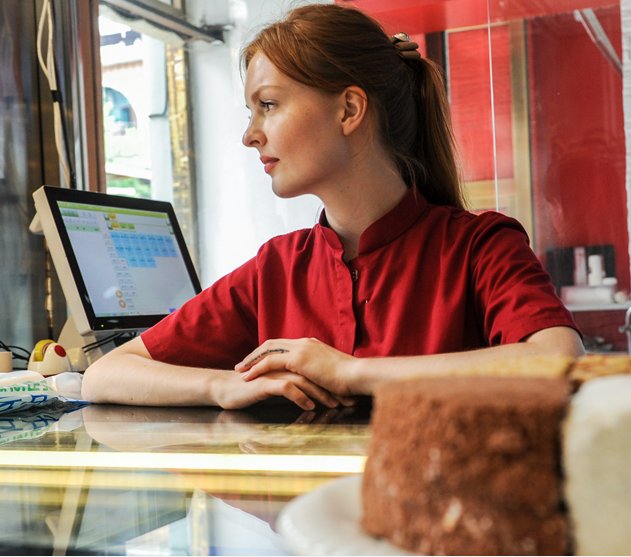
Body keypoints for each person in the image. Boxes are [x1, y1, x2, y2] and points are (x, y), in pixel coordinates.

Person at [82, 3, 584, 410]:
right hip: (314, 529)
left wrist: (349, 372)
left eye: (269, 105)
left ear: (348, 110)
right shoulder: (275, 268)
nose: (250, 135)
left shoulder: (481, 245)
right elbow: (105, 374)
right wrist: (222, 388)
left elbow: (559, 362)